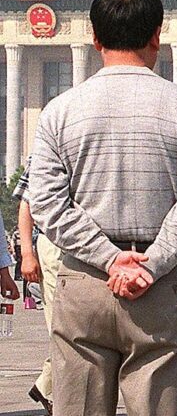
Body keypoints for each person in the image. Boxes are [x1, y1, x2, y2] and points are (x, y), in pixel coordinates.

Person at [28, 0, 177, 415]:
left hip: (84, 283)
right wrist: (149, 264)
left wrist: (108, 259)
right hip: (162, 286)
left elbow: (46, 202)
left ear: (95, 39)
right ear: (157, 35)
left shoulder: (60, 111)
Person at [13, 155, 59, 415]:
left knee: (87, 328)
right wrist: (27, 254)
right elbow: (27, 203)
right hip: (55, 246)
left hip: (95, 249)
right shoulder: (49, 141)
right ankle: (53, 391)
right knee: (62, 327)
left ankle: (47, 386)